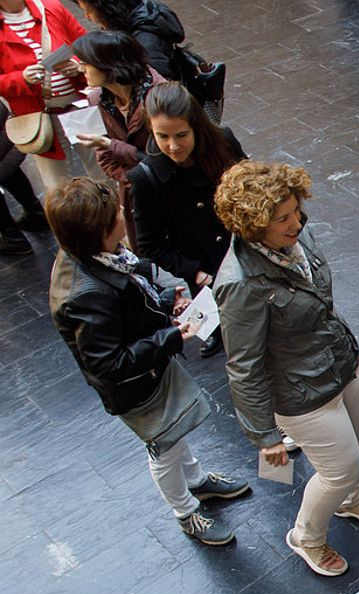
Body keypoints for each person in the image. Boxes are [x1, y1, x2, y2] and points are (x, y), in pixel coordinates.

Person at [213, 160, 359, 577]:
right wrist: (264, 435)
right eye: (282, 218)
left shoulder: (299, 238)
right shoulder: (239, 283)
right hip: (301, 395)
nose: (297, 223)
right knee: (339, 470)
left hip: (341, 364)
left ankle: (351, 502)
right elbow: (243, 365)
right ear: (253, 224)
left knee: (356, 446)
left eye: (296, 211)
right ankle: (307, 536)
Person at [47, 177, 248, 544]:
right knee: (162, 443)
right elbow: (109, 364)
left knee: (173, 430)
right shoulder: (84, 296)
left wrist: (167, 297)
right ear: (100, 231)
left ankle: (197, 480)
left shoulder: (100, 255)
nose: (124, 216)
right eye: (115, 216)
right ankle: (186, 512)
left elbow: (135, 281)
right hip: (135, 384)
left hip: (149, 367)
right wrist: (169, 336)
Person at [127, 81, 245, 358]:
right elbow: (150, 244)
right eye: (162, 136)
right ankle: (216, 334)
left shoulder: (223, 141)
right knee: (227, 332)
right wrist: (193, 271)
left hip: (242, 249)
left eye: (181, 135)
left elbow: (251, 186)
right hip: (204, 269)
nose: (173, 146)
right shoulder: (145, 178)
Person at [71, 30, 162, 241]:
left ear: (107, 65)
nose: (80, 68)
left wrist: (111, 145)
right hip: (134, 191)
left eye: (85, 63)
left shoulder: (157, 96)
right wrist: (132, 177)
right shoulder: (97, 99)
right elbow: (104, 159)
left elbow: (161, 158)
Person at [0, 0, 87, 189]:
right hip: (39, 117)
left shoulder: (51, 7)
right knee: (59, 187)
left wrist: (77, 65)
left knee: (104, 168)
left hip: (78, 104)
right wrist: (21, 78)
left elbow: (87, 45)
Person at [74, 0, 184, 81]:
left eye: (88, 10)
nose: (87, 16)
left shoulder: (145, 41)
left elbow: (160, 85)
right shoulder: (126, 25)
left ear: (106, 8)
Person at [0, 102, 49, 255]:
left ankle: (11, 237)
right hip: (8, 134)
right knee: (6, 167)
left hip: (6, 135)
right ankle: (35, 214)